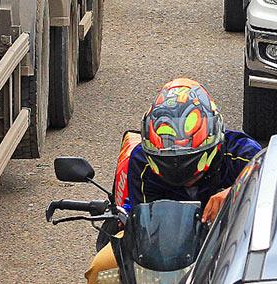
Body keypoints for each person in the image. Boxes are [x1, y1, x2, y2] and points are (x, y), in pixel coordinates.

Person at [86, 78, 261, 284]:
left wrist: (235, 192)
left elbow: (268, 189)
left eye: (190, 166)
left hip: (230, 242)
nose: (185, 181)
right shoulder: (140, 162)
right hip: (163, 249)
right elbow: (139, 224)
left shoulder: (245, 154)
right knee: (99, 268)